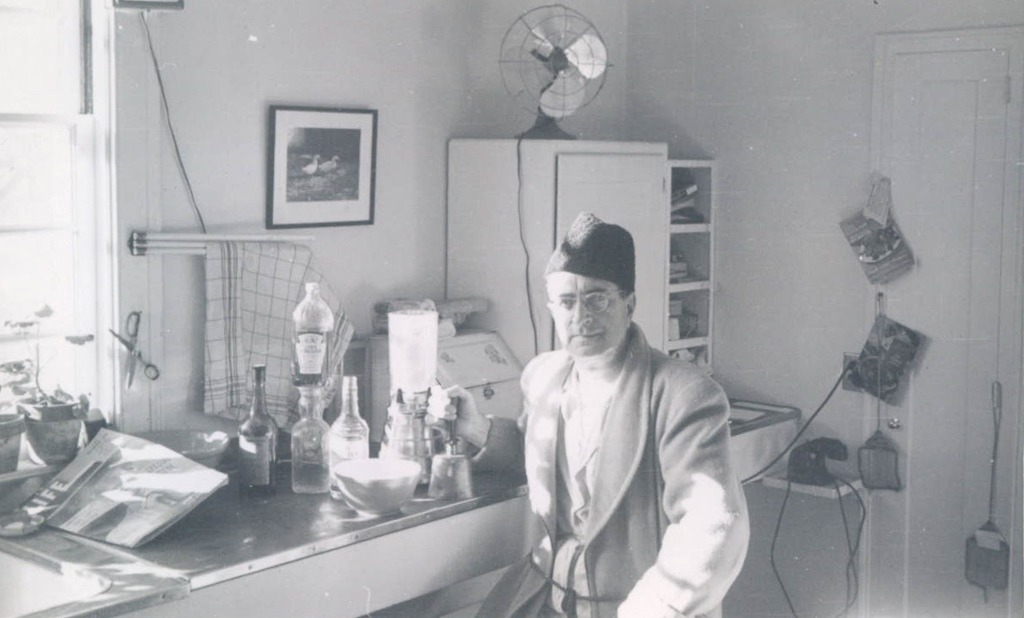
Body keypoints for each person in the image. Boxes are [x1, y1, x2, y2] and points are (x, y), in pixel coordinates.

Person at [448, 212, 749, 618]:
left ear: (629, 304)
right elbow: (543, 456)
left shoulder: (684, 395)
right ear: (552, 309)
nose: (581, 317)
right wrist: (479, 430)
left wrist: (652, 607)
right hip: (547, 598)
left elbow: (712, 526)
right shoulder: (543, 376)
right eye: (567, 302)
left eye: (598, 298)